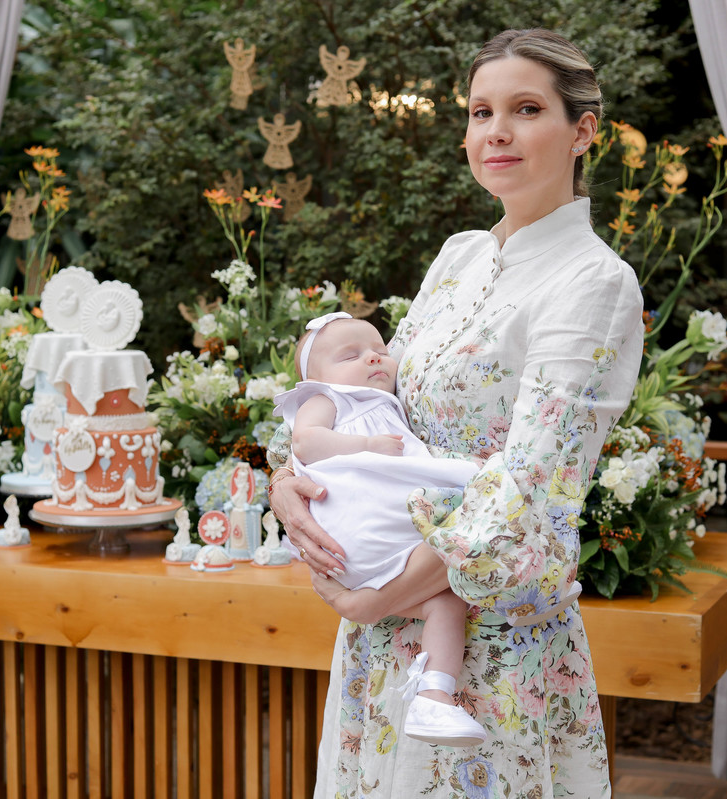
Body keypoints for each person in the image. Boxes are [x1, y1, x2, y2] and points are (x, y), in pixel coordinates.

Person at [268, 28, 644, 798]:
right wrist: (289, 475)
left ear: (583, 130)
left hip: (489, 650)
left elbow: (532, 490)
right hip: (385, 643)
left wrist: (381, 595)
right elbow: (375, 402)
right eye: (479, 112)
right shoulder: (460, 254)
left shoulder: (593, 283)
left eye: (525, 108)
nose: (494, 132)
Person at [275, 311, 485, 747]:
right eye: (351, 354)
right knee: (477, 483)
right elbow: (305, 443)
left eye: (380, 350)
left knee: (446, 604)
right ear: (315, 378)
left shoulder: (384, 407)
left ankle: (433, 695)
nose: (373, 358)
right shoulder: (329, 399)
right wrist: (366, 445)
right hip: (355, 528)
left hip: (385, 556)